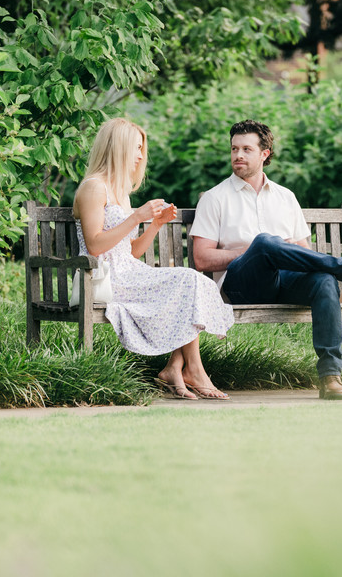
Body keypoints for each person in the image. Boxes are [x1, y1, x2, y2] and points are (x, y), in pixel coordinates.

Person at [189, 120, 342, 400]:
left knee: (323, 279)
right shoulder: (215, 198)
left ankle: (330, 376)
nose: (238, 155)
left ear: (265, 153)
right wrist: (253, 251)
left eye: (247, 149)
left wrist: (277, 250)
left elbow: (304, 253)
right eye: (234, 149)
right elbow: (201, 259)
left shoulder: (285, 198)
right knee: (264, 242)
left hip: (284, 281)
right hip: (239, 286)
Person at [73, 118, 234, 400]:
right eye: (135, 148)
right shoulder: (93, 188)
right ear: (118, 147)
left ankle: (177, 367)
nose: (139, 155)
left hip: (128, 271)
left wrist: (155, 224)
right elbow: (95, 247)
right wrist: (136, 216)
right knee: (186, 280)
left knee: (189, 280)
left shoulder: (119, 191)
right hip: (104, 278)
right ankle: (191, 370)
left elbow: (130, 251)